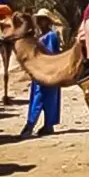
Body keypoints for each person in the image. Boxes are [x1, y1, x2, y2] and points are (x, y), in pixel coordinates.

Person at [21, 9, 63, 138]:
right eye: (38, 19)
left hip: (46, 71)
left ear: (47, 21)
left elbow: (50, 54)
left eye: (42, 19)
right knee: (41, 97)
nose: (39, 22)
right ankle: (46, 126)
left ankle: (30, 125)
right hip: (40, 71)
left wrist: (38, 45)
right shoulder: (42, 36)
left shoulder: (50, 36)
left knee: (40, 97)